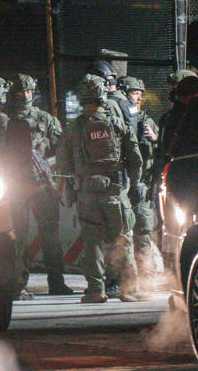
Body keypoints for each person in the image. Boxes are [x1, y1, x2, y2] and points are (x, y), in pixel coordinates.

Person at [56, 74, 149, 303]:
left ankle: (96, 290)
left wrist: (72, 187)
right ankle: (129, 289)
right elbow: (136, 159)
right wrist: (130, 185)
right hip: (116, 191)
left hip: (87, 192)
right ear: (102, 94)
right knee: (122, 239)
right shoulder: (117, 124)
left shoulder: (73, 128)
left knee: (91, 242)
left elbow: (62, 164)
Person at [0, 74, 73, 298]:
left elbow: (60, 148)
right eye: (20, 92)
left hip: (41, 185)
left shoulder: (44, 119)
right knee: (16, 236)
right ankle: (17, 283)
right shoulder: (2, 121)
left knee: (51, 235)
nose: (25, 96)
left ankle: (56, 282)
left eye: (28, 92)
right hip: (14, 186)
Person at [122, 76, 162, 291]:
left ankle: (147, 279)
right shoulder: (120, 120)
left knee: (144, 232)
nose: (137, 98)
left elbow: (162, 150)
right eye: (133, 93)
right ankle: (123, 280)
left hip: (143, 185)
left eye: (139, 93)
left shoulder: (147, 121)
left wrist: (154, 139)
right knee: (121, 235)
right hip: (124, 184)